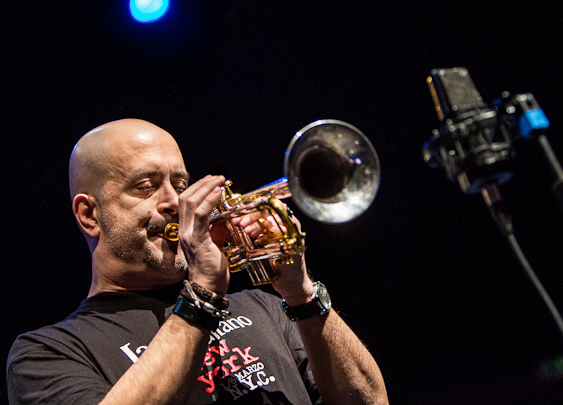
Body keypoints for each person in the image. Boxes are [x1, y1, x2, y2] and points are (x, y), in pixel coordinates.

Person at [6, 119, 388, 405]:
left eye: (180, 183)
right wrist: (202, 295)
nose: (175, 201)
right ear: (90, 215)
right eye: (146, 186)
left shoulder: (268, 309)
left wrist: (301, 293)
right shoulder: (47, 352)